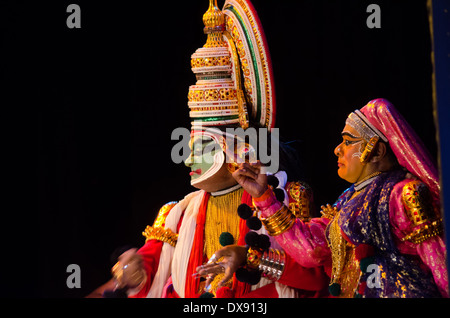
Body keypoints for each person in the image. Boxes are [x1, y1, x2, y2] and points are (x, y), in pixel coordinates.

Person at [87, 0, 328, 298]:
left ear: (236, 150)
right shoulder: (177, 213)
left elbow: (314, 277)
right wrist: (135, 267)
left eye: (201, 148)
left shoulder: (285, 199)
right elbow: (150, 267)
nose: (188, 158)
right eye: (189, 148)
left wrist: (251, 258)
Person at [198, 98, 449, 298]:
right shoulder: (346, 204)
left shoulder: (404, 195)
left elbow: (441, 264)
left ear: (377, 151)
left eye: (348, 142)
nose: (337, 149)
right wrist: (264, 197)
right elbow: (309, 251)